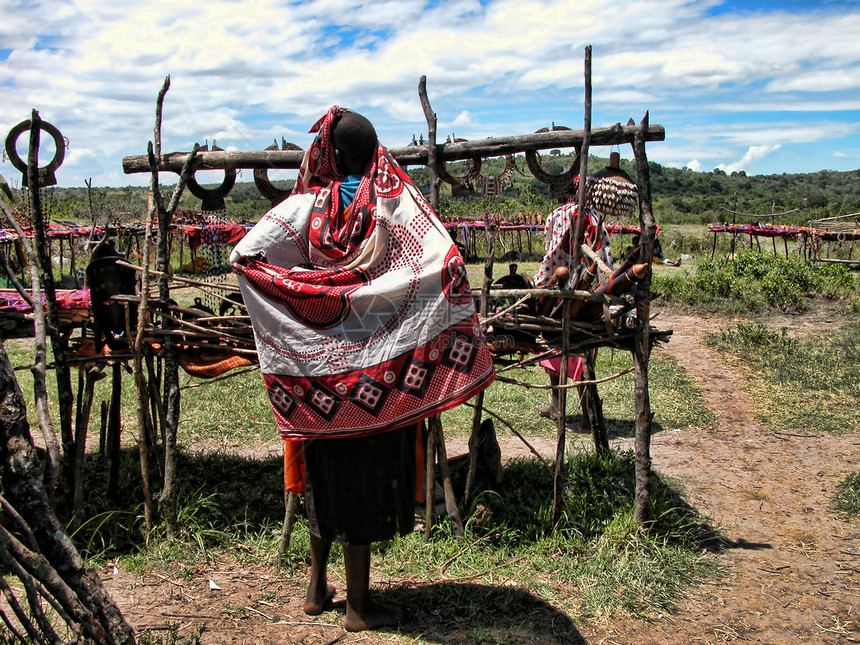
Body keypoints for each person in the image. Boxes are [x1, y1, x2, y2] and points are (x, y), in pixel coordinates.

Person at [230, 107, 494, 631]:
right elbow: (444, 262)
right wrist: (376, 301)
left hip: (318, 384)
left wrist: (305, 301)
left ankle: (315, 589)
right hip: (379, 381)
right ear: (374, 152)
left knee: (321, 478)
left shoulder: (302, 208)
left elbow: (246, 257)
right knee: (363, 483)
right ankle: (358, 607)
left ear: (328, 153)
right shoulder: (396, 202)